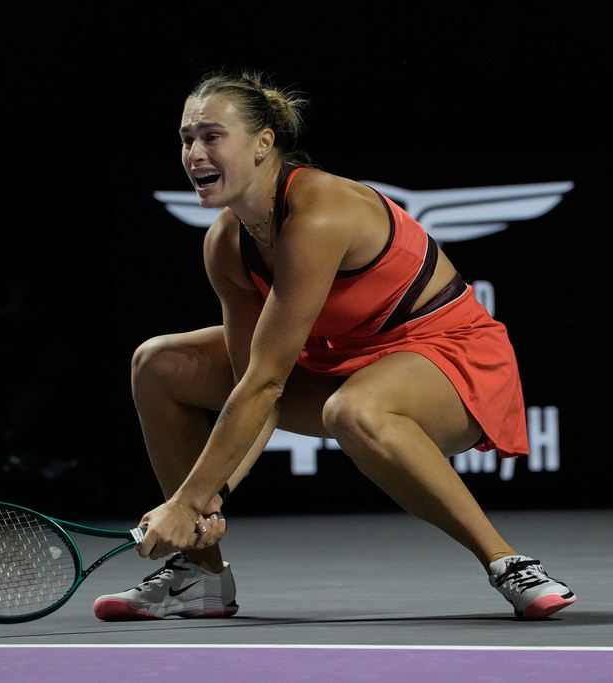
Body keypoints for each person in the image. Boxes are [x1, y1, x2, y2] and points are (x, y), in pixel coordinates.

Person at [93, 71, 576, 621]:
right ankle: (200, 575)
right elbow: (253, 383)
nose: (194, 152)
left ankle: (508, 563)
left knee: (354, 410)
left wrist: (186, 501)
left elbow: (266, 384)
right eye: (186, 138)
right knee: (158, 363)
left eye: (211, 136)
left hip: (448, 359)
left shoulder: (320, 213)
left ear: (262, 144)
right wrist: (210, 495)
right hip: (336, 362)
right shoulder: (226, 243)